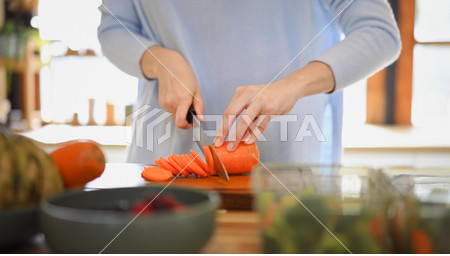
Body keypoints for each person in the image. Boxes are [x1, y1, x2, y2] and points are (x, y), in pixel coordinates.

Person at [98, 0, 401, 164]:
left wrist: (292, 85)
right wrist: (159, 61)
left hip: (289, 163)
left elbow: (379, 32)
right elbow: (114, 27)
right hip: (164, 153)